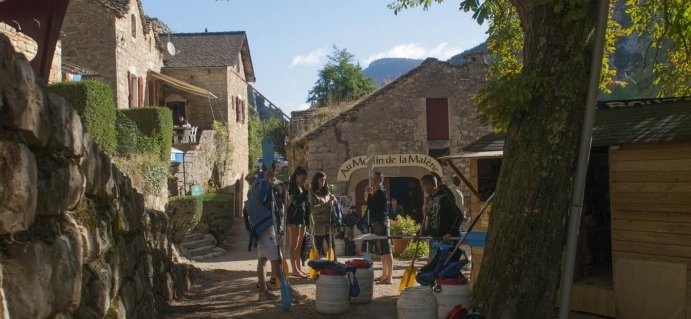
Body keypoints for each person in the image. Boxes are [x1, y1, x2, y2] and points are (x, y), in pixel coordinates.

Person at [246, 164, 307, 302]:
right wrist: (264, 179)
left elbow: (285, 204)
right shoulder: (259, 183)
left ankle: (263, 291)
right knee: (277, 260)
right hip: (264, 228)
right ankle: (290, 291)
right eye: (272, 168)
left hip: (274, 227)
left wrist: (286, 199)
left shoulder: (278, 184)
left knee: (263, 259)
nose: (274, 171)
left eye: (276, 168)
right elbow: (259, 199)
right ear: (265, 169)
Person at [418, 173, 463, 262]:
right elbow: (432, 219)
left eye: (423, 186)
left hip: (445, 240)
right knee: (432, 268)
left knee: (442, 268)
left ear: (430, 184)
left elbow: (458, 215)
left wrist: (450, 232)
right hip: (435, 239)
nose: (423, 189)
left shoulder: (444, 197)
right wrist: (422, 234)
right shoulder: (430, 199)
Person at [367, 172, 394, 285]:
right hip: (377, 221)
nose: (372, 181)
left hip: (382, 221)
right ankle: (384, 274)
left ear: (379, 180)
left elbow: (372, 206)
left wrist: (369, 194)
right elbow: (370, 207)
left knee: (387, 249)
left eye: (374, 179)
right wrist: (370, 194)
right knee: (382, 250)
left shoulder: (381, 192)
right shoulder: (377, 192)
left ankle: (390, 277)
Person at [285, 166, 310, 278]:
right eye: (302, 178)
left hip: (303, 219)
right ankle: (294, 269)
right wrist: (305, 191)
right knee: (293, 245)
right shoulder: (291, 187)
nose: (304, 180)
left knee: (299, 246)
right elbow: (297, 202)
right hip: (293, 219)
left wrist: (308, 220)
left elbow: (306, 204)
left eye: (305, 178)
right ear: (297, 176)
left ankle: (299, 268)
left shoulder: (302, 187)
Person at [308, 171, 336, 258]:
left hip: (329, 222)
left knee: (332, 246)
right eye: (321, 180)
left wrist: (334, 201)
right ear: (316, 180)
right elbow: (312, 209)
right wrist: (327, 204)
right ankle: (317, 266)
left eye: (324, 180)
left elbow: (332, 204)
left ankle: (334, 265)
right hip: (319, 224)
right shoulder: (312, 193)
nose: (323, 182)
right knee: (318, 247)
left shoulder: (327, 192)